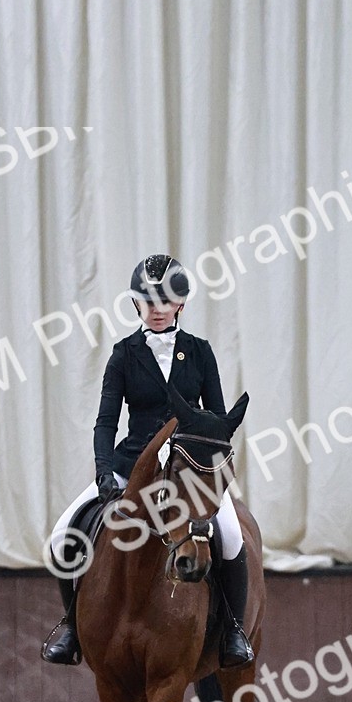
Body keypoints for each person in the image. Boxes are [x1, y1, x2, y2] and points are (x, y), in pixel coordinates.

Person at [41, 253, 254, 669]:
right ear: (136, 304)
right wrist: (104, 472)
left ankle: (232, 630)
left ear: (181, 304)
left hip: (188, 468)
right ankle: (71, 625)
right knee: (62, 534)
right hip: (130, 463)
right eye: (147, 301)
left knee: (231, 536)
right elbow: (105, 422)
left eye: (166, 301)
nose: (156, 309)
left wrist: (208, 473)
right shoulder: (123, 355)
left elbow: (216, 418)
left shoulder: (200, 352)